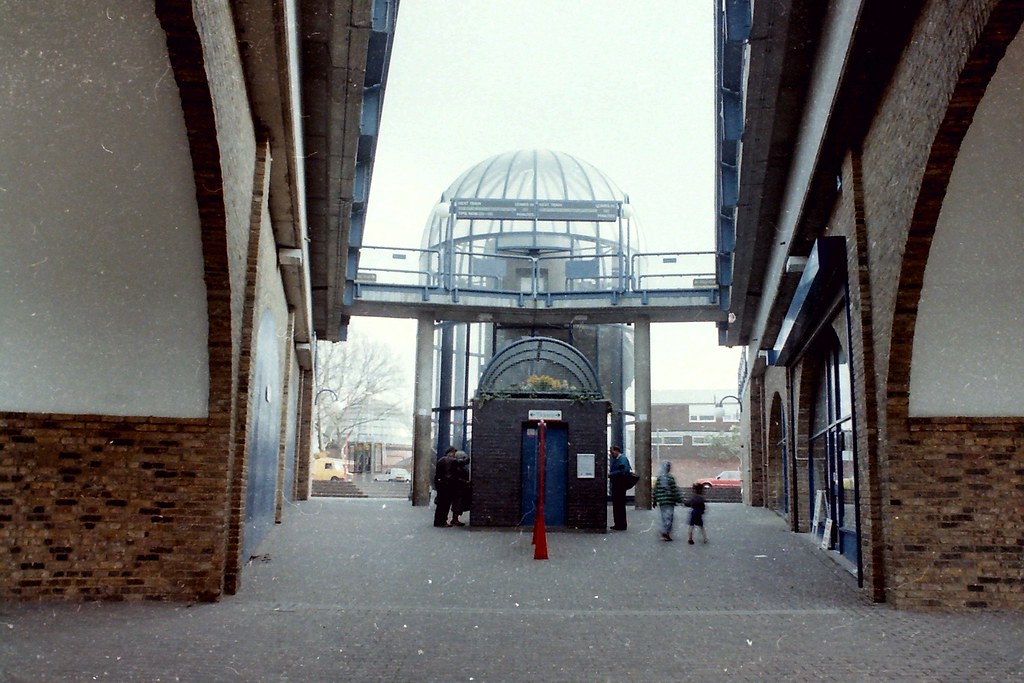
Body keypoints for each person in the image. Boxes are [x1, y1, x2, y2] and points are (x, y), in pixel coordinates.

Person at [652, 461, 683, 541]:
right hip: (669, 501)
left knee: (664, 517)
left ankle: (664, 531)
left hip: (662, 502)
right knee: (669, 517)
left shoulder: (659, 478)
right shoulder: (670, 478)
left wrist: (654, 500)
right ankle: (665, 533)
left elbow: (655, 490)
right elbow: (674, 490)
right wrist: (679, 499)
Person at [608, 445, 633, 531]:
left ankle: (621, 524)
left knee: (619, 505)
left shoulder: (622, 459)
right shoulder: (620, 459)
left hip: (619, 485)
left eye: (612, 452)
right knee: (618, 505)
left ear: (616, 451)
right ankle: (618, 524)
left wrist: (612, 474)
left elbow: (623, 471)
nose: (611, 454)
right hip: (618, 484)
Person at [433, 447, 459, 527]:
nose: (454, 455)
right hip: (447, 486)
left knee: (440, 505)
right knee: (445, 505)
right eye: (454, 453)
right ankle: (442, 521)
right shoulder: (448, 460)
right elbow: (462, 462)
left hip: (441, 485)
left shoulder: (441, 460)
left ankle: (438, 521)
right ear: (450, 452)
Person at [448, 450, 470, 527]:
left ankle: (455, 519)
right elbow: (456, 477)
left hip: (460, 487)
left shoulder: (457, 465)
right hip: (459, 487)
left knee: (458, 504)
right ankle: (455, 519)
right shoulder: (458, 466)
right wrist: (465, 482)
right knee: (458, 504)